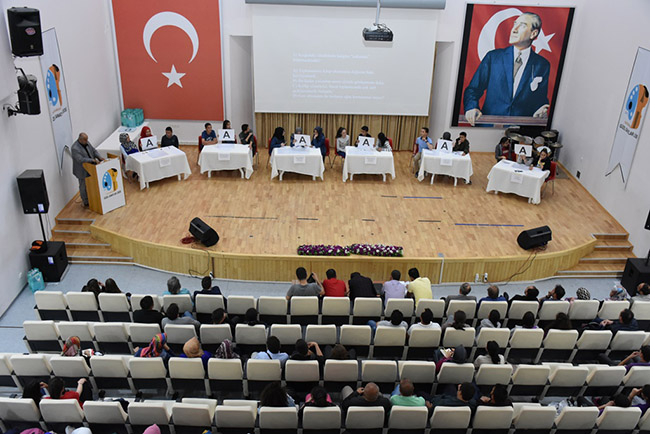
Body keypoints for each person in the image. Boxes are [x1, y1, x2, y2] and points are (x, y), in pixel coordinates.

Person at [463, 12, 550, 125]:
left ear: (533, 33)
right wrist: (471, 107)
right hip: (488, 126)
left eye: (522, 25)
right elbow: (473, 90)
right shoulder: (493, 57)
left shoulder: (542, 64)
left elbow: (540, 100)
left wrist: (542, 109)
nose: (514, 29)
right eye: (515, 24)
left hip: (520, 130)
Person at [71, 132, 103, 208]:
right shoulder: (75, 148)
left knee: (92, 183)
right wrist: (92, 160)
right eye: (85, 140)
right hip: (82, 170)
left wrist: (99, 157)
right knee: (83, 186)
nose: (87, 141)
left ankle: (94, 198)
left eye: (87, 139)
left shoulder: (86, 142)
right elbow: (80, 159)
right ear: (80, 140)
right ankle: (85, 201)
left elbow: (93, 150)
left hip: (91, 168)